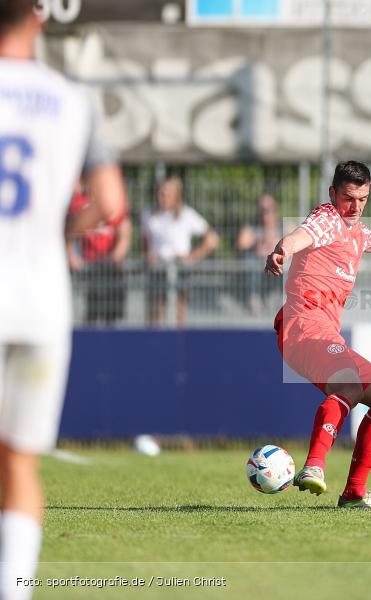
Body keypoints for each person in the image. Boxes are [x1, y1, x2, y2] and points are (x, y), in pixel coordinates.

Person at [0, 3, 127, 598]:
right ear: (39, 14)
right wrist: (57, 230)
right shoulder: (69, 99)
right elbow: (108, 202)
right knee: (19, 465)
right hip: (41, 301)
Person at [265, 161, 371, 509]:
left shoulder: (359, 233)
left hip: (323, 334)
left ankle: (354, 493)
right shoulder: (327, 219)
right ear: (333, 194)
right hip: (302, 329)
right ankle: (314, 466)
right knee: (346, 382)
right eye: (348, 198)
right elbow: (299, 237)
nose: (356, 207)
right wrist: (281, 251)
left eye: (363, 199)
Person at [142, 177, 219, 328]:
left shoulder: (186, 215)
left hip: (180, 268)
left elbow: (212, 238)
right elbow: (145, 240)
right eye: (160, 193)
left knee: (178, 309)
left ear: (176, 195)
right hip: (158, 268)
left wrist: (194, 256)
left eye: (166, 194)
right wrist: (148, 254)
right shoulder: (149, 214)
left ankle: (176, 342)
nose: (161, 197)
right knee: (156, 309)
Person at [66, 181, 132, 325]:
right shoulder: (80, 203)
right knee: (91, 314)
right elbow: (70, 231)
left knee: (111, 314)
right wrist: (71, 255)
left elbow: (125, 234)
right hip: (89, 269)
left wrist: (115, 257)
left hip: (110, 270)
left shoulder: (116, 203)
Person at [236, 194, 282, 315]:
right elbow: (241, 243)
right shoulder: (252, 225)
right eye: (261, 209)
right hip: (258, 262)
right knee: (250, 260)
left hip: (277, 261)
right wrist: (256, 243)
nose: (264, 212)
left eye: (267, 209)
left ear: (275, 209)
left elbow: (294, 240)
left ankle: (278, 295)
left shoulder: (282, 225)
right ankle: (253, 297)